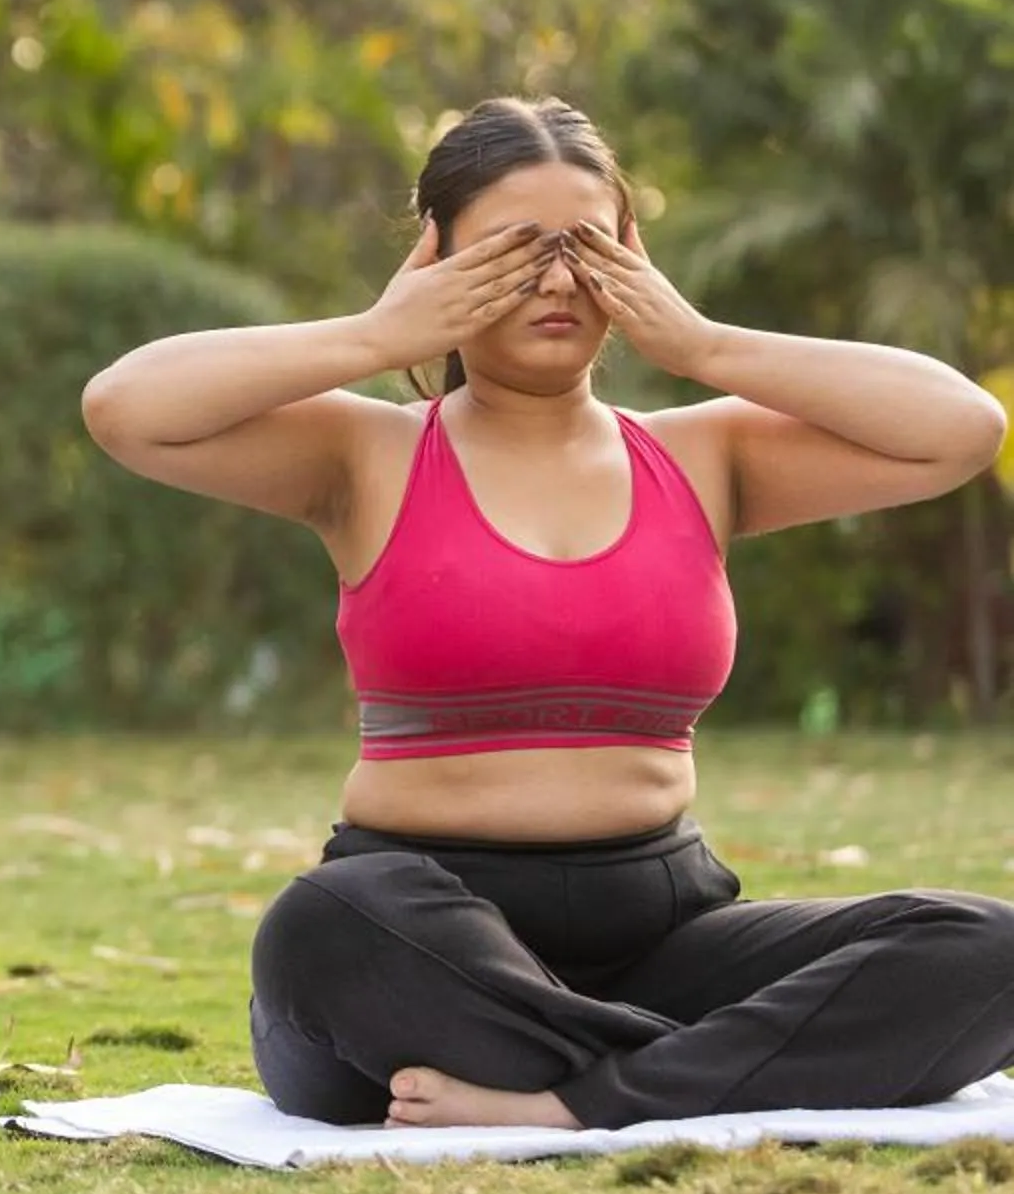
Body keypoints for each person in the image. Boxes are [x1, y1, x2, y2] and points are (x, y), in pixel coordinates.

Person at [81, 96, 1014, 1130]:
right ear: (436, 259)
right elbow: (126, 407)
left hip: (662, 937)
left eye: (589, 248)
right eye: (516, 253)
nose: (562, 281)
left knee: (984, 946)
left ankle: (575, 1097)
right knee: (325, 923)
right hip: (418, 943)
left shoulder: (707, 454)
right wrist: (375, 333)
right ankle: (718, 1072)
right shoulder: (366, 453)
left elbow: (959, 429)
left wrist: (702, 342)